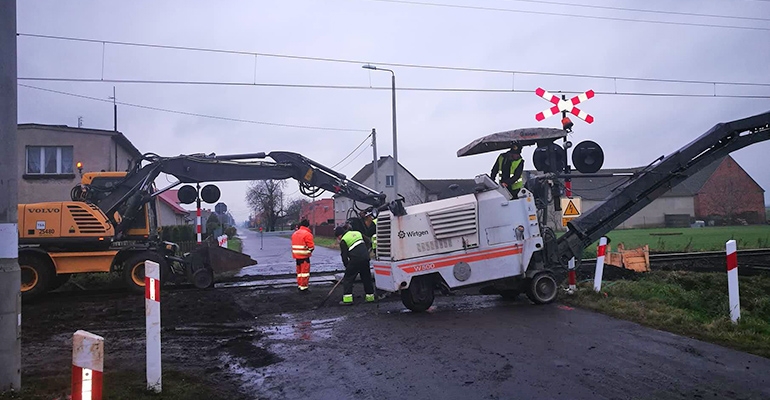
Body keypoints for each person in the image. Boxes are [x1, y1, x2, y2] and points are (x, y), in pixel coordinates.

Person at [334, 225, 375, 305]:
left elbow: (344, 256)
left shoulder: (344, 240)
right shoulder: (357, 233)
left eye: (337, 237)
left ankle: (347, 299)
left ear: (339, 235)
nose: (338, 239)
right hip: (365, 258)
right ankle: (370, 297)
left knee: (348, 279)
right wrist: (365, 252)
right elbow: (369, 242)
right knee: (366, 277)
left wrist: (347, 267)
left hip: (355, 260)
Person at [291, 219, 315, 293]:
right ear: (308, 225)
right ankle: (304, 288)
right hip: (304, 256)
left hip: (297, 256)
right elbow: (311, 247)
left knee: (299, 273)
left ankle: (299, 285)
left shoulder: (295, 233)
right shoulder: (307, 234)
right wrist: (309, 251)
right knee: (305, 273)